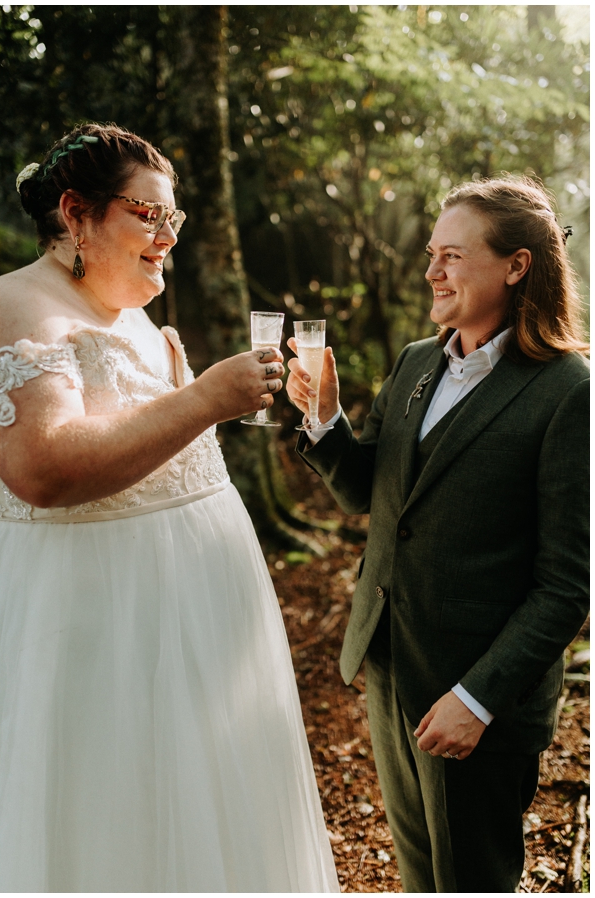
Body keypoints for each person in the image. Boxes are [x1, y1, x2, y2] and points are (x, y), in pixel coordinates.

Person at [0, 123, 338, 891]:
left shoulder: (134, 315)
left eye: (171, 220)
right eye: (147, 216)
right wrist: (204, 399)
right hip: (106, 632)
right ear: (76, 213)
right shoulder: (22, 304)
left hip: (196, 628)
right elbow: (44, 467)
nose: (166, 237)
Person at [286, 176, 589, 892]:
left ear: (516, 265)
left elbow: (566, 586)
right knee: (422, 872)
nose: (431, 271)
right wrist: (328, 422)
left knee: (471, 880)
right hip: (390, 664)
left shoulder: (570, 392)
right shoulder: (418, 361)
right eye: (432, 253)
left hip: (479, 697)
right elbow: (372, 494)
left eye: (452, 256)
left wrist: (478, 697)